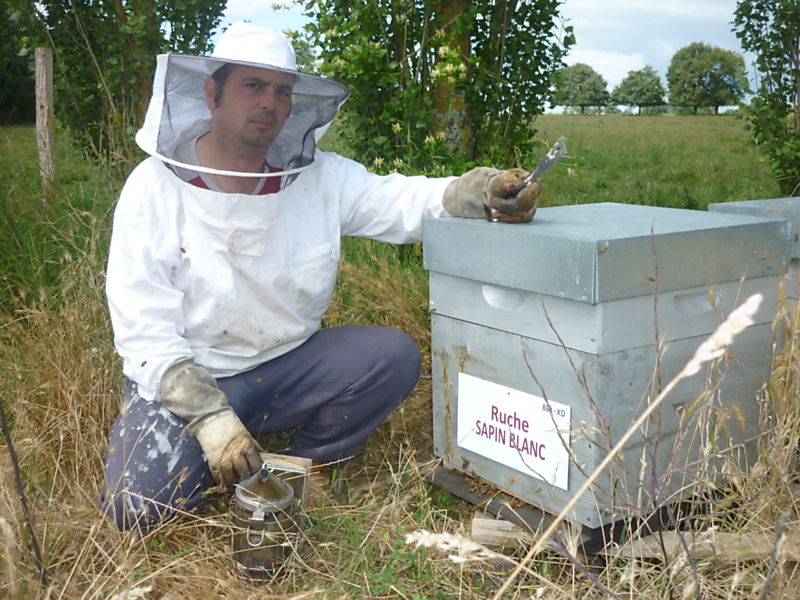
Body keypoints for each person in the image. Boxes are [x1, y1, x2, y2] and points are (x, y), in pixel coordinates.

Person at [99, 22, 540, 530]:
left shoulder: (320, 177)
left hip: (287, 368)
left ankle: (304, 465)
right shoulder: (153, 188)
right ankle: (221, 448)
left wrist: (481, 192)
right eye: (252, 85)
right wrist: (207, 416)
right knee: (136, 509)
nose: (269, 102)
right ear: (212, 93)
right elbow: (143, 325)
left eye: (282, 91)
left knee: (391, 355)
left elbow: (399, 200)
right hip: (195, 373)